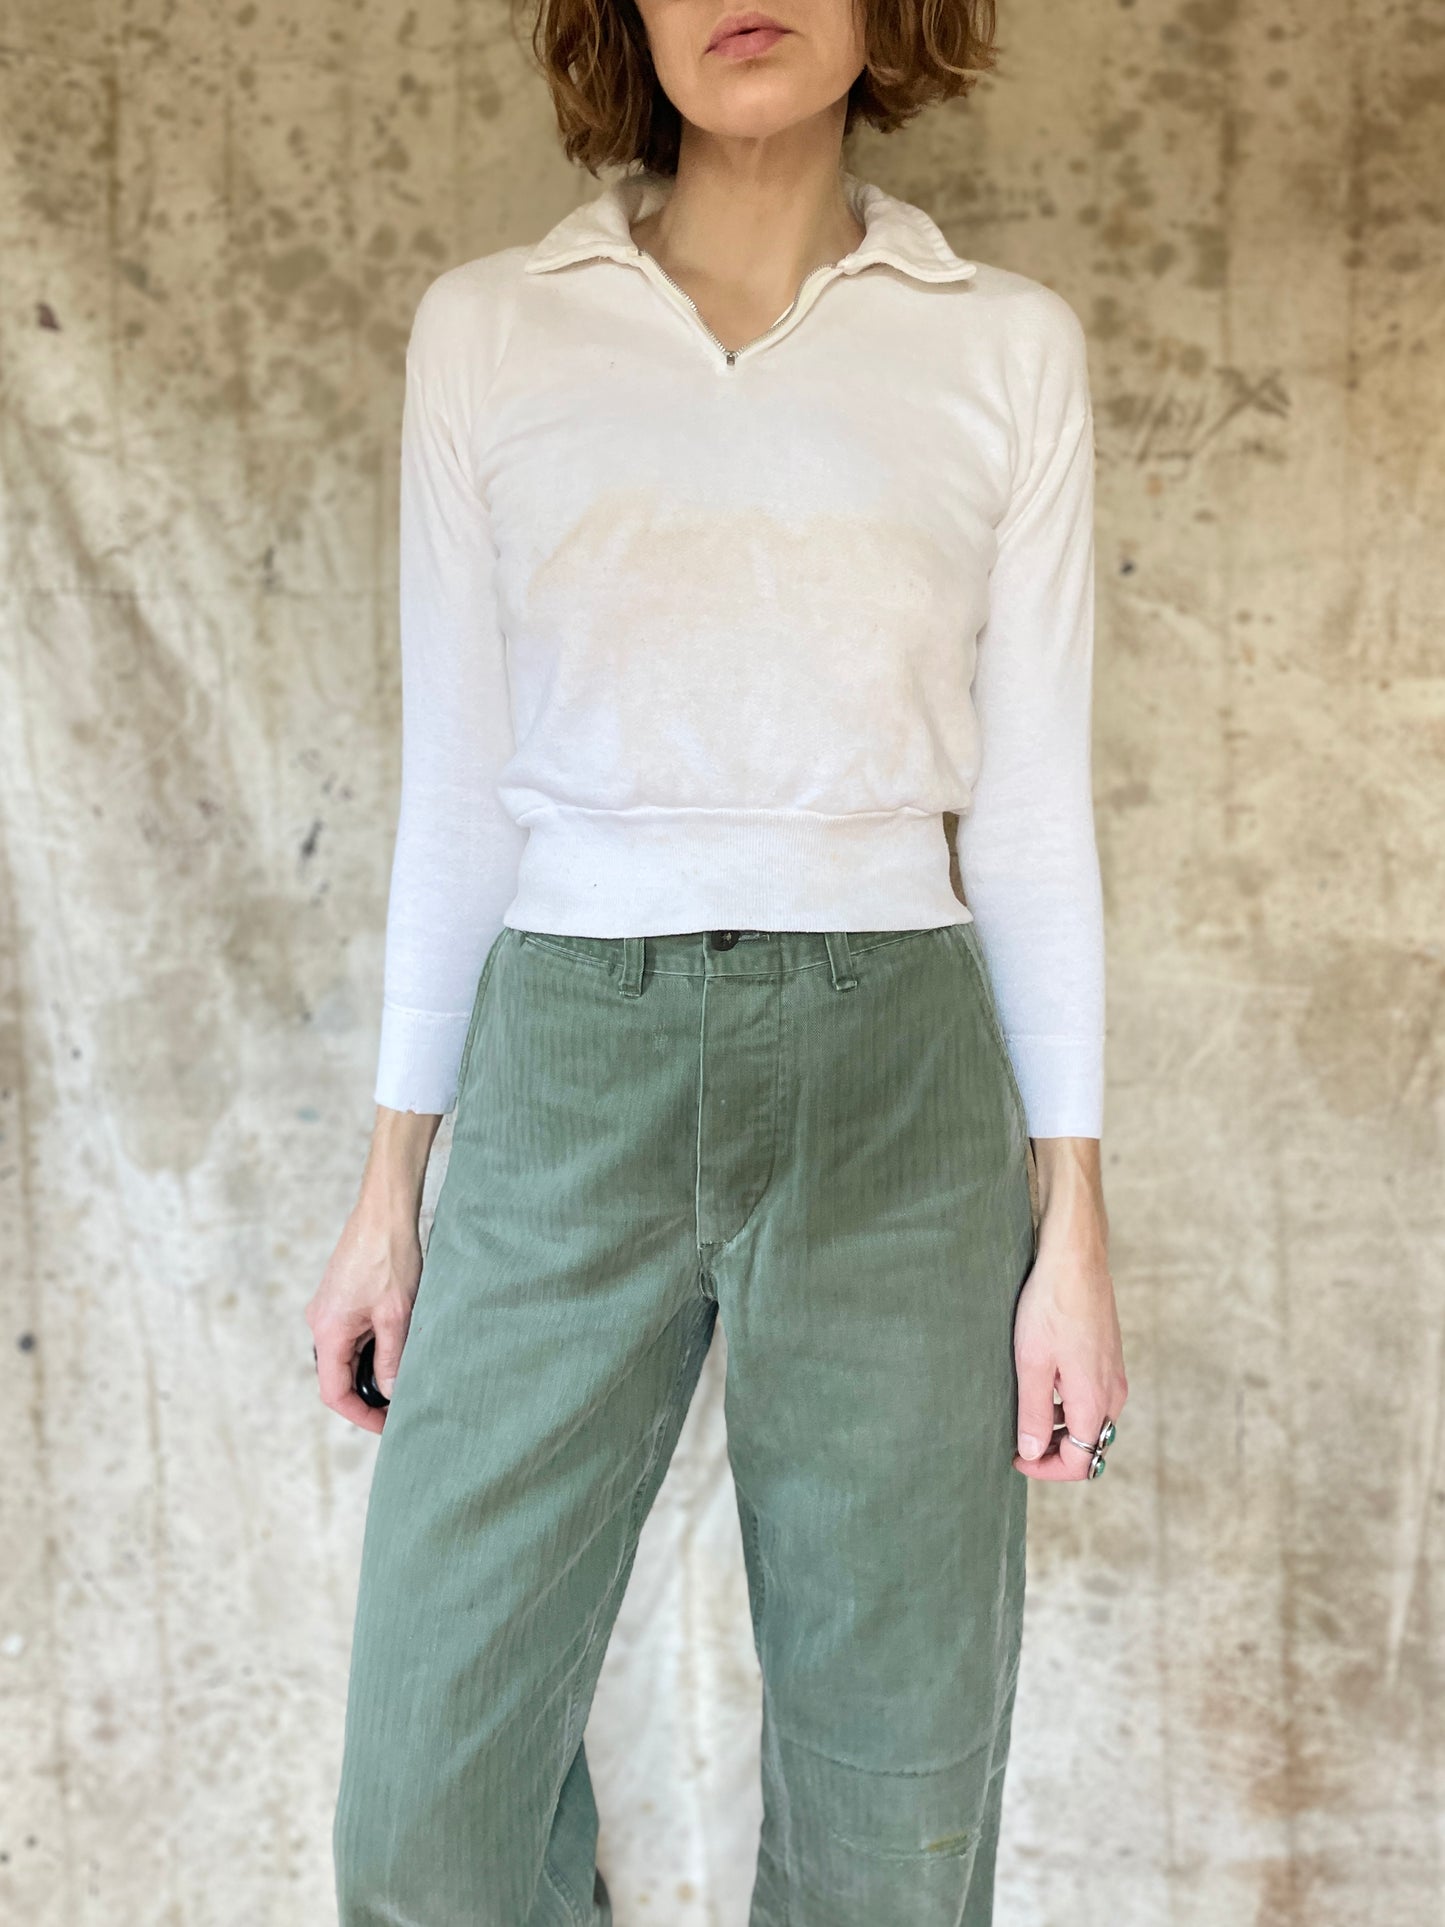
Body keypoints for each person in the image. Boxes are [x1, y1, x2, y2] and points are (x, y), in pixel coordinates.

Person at [306, 0, 1129, 1919]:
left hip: (896, 1080)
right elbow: (456, 786)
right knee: (425, 1810)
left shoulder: (1000, 347)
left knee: (894, 1802)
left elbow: (1027, 814)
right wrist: (390, 1193)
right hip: (565, 1060)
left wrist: (1071, 1229)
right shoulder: (492, 329)